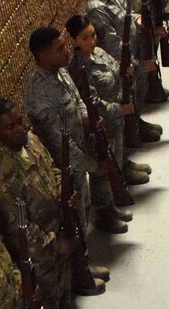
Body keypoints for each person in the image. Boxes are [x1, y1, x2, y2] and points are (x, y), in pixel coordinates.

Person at [0, 100, 87, 309]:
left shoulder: (31, 141)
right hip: (40, 255)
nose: (19, 129)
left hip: (58, 231)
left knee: (63, 297)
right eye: (10, 126)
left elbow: (51, 167)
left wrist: (66, 196)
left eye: (19, 121)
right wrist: (57, 243)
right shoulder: (0, 178)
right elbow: (21, 230)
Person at [23, 26, 109, 292]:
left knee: (82, 216)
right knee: (71, 224)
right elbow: (61, 146)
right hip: (63, 171)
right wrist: (93, 167)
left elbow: (78, 101)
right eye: (59, 48)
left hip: (77, 161)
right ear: (41, 55)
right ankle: (78, 276)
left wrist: (87, 117)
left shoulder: (61, 73)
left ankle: (84, 263)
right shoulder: (39, 97)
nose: (66, 50)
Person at [65, 13, 152, 211]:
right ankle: (105, 210)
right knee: (103, 172)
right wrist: (119, 109)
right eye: (85, 38)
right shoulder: (79, 69)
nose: (92, 41)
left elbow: (116, 69)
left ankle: (122, 175)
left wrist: (128, 72)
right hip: (104, 123)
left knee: (118, 154)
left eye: (93, 35)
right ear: (75, 40)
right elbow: (92, 103)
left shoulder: (99, 53)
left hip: (117, 119)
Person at [84, 0, 164, 140]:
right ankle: (132, 133)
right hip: (120, 61)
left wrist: (138, 19)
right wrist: (137, 65)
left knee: (138, 91)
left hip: (132, 49)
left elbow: (125, 13)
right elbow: (112, 44)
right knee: (129, 95)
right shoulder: (96, 8)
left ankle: (137, 120)